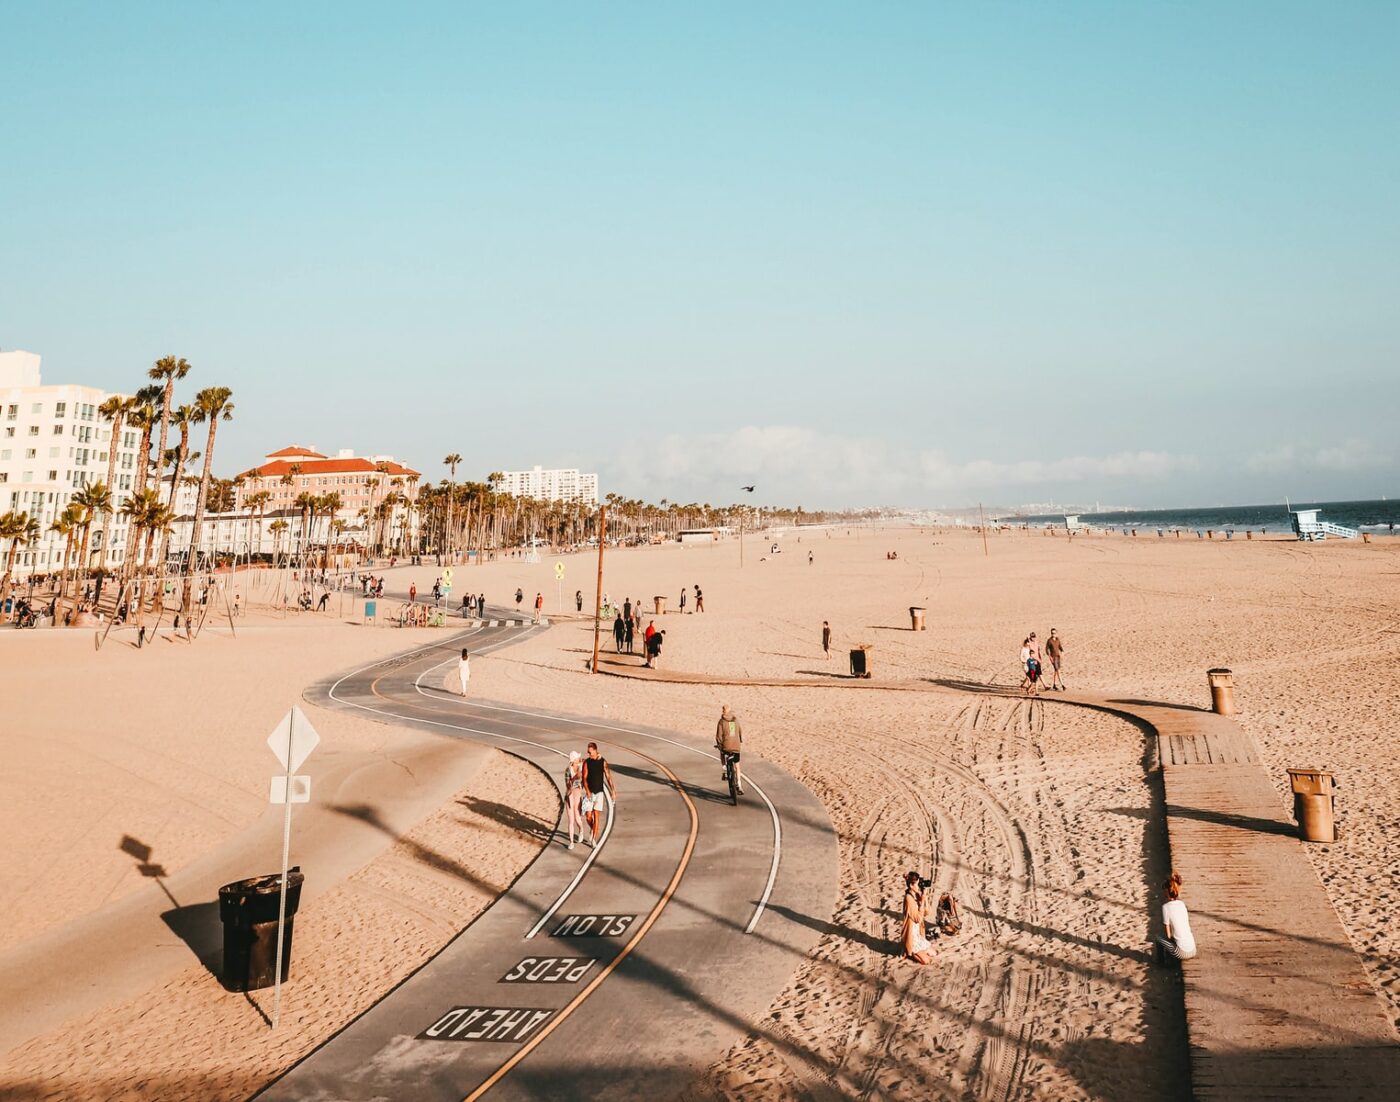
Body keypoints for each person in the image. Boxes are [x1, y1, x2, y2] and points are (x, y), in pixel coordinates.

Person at [1155, 872, 1197, 964]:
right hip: (1193, 949)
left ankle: (1161, 963)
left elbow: (1168, 935)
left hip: (1182, 952)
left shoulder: (1166, 907)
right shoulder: (1182, 904)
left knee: (1158, 938)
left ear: (1166, 892)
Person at [581, 742, 616, 845]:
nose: (589, 754)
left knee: (596, 815)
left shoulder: (603, 762)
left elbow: (608, 777)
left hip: (599, 793)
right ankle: (593, 829)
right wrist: (587, 791)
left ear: (596, 750)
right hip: (590, 793)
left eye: (590, 752)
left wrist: (613, 790)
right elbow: (584, 778)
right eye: (588, 752)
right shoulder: (587, 762)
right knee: (588, 816)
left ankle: (594, 839)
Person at [902, 872, 933, 965]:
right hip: (912, 936)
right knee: (926, 961)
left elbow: (927, 912)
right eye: (917, 884)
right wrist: (922, 901)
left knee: (933, 954)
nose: (919, 886)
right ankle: (910, 952)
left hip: (918, 934)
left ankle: (918, 952)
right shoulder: (908, 898)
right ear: (911, 885)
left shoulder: (916, 895)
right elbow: (917, 919)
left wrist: (924, 898)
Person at [715, 704, 743, 795]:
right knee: (737, 765)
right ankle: (739, 784)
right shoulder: (735, 720)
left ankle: (725, 770)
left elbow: (719, 736)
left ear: (723, 711)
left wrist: (719, 744)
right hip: (736, 745)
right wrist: (739, 741)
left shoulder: (721, 721)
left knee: (722, 752)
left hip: (726, 746)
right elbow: (739, 732)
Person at [564, 751, 587, 849]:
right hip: (570, 794)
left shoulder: (581, 766)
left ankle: (581, 830)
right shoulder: (568, 770)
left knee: (577, 816)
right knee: (571, 819)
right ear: (573, 760)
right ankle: (571, 842)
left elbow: (586, 761)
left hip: (577, 793)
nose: (579, 758)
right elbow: (568, 786)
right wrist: (574, 778)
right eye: (577, 758)